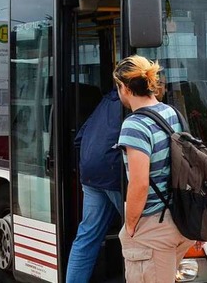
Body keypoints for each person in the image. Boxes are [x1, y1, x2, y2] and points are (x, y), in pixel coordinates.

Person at [113, 55, 194, 282]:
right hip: (179, 219)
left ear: (125, 88)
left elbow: (139, 183)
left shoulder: (134, 125)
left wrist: (130, 227)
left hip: (153, 226)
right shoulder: (171, 113)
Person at [66, 88, 124, 283]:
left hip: (90, 174)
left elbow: (79, 139)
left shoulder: (106, 102)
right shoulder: (135, 103)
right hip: (114, 175)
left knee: (87, 235)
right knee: (139, 232)